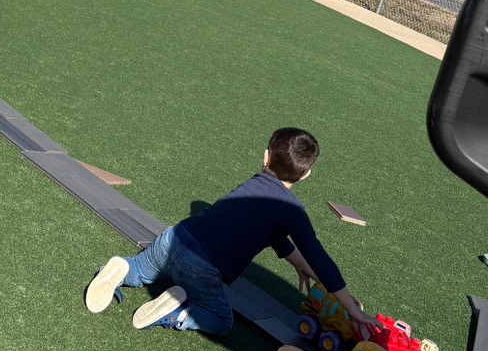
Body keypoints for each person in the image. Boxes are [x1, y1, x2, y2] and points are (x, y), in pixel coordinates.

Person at [84, 127, 383, 335]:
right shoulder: (293, 210)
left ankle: (122, 269)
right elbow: (321, 260)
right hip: (200, 269)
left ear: (265, 158)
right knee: (221, 320)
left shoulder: (254, 183)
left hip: (172, 240)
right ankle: (178, 312)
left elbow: (271, 233)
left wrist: (300, 267)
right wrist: (352, 310)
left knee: (141, 269)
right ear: (305, 175)